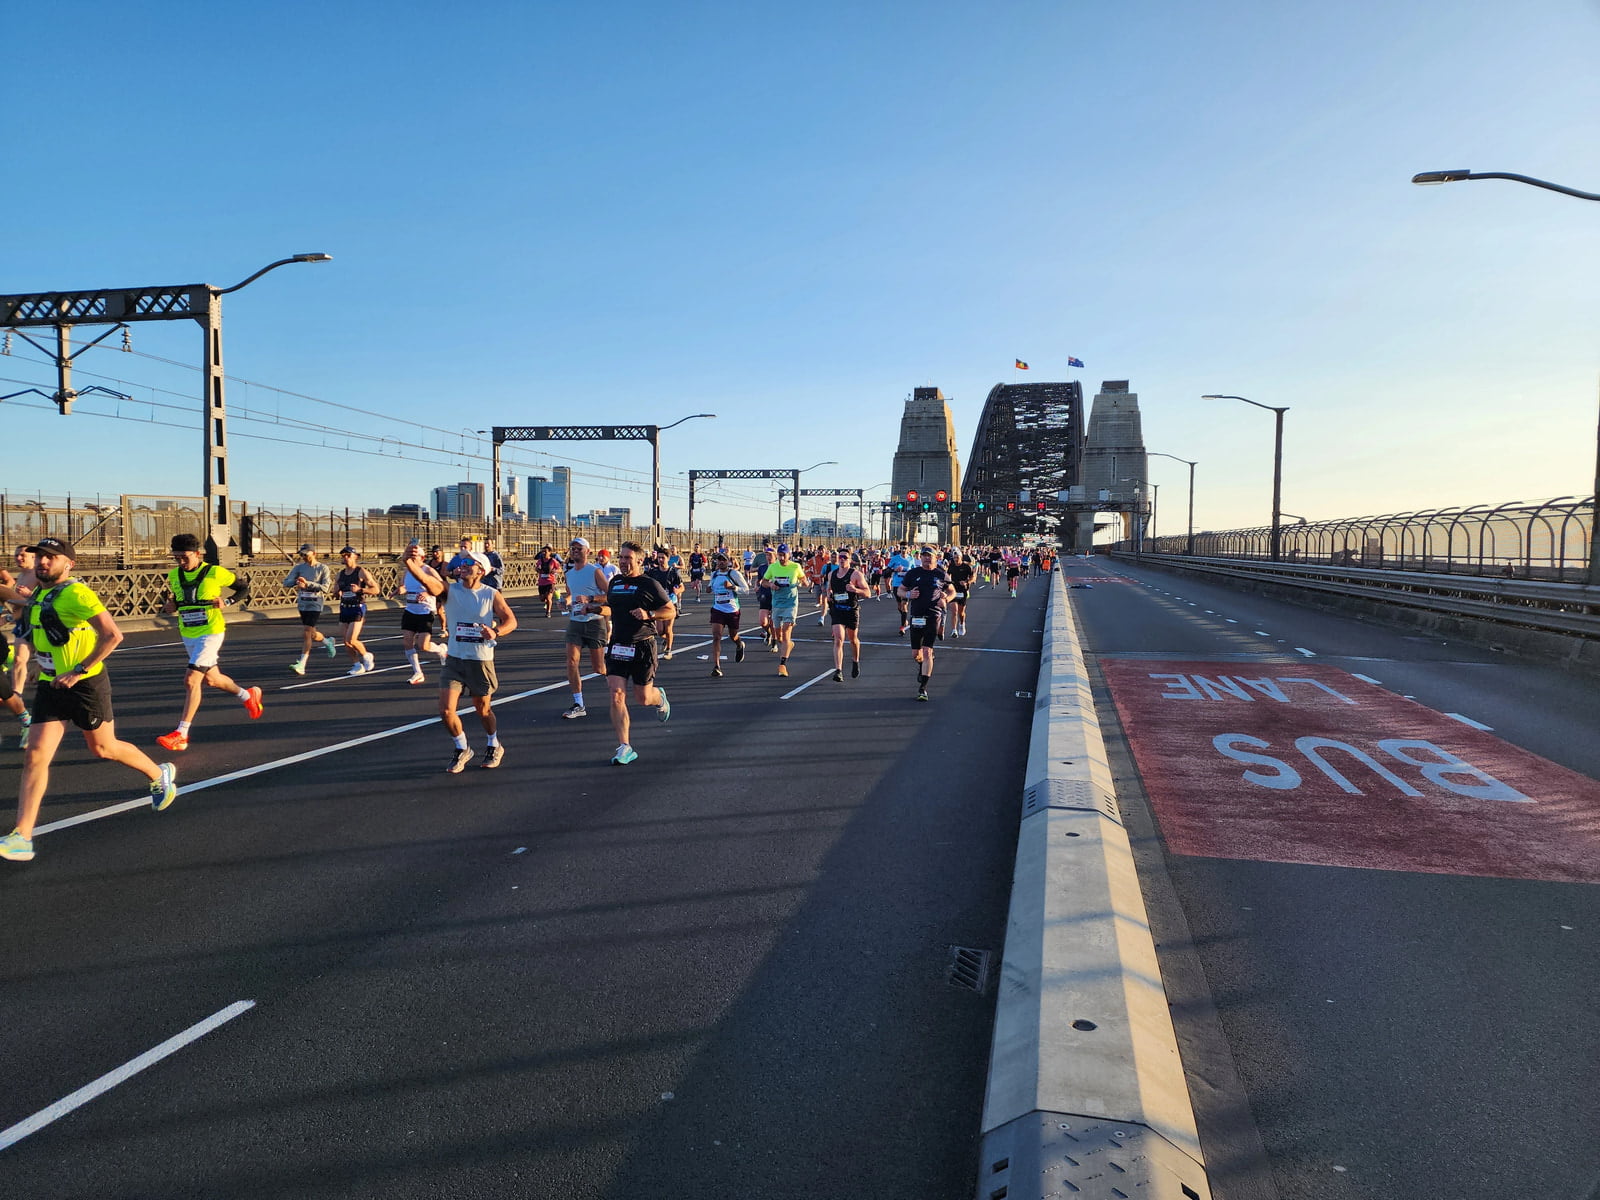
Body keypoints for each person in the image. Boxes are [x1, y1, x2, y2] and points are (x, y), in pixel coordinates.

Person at [0, 538, 177, 862]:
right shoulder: (40, 592)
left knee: (103, 748)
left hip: (85, 684)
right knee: (35, 756)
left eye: (51, 558)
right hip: (52, 684)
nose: (43, 562)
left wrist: (79, 670)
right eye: (40, 556)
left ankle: (158, 773)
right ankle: (22, 836)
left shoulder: (78, 593)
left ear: (69, 563)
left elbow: (113, 635)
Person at [156, 533, 263, 751]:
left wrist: (227, 601)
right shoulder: (174, 575)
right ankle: (247, 695)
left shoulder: (215, 572)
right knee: (212, 680)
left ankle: (181, 734)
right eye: (176, 558)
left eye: (185, 557)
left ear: (197, 554)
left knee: (191, 680)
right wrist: (170, 606)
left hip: (211, 632)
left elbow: (243, 588)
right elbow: (177, 600)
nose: (181, 562)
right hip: (188, 632)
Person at [440, 557, 518, 772]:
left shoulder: (490, 594)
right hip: (455, 659)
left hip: (480, 659)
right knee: (446, 710)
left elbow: (511, 620)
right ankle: (462, 747)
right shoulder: (451, 590)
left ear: (481, 570)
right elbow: (431, 583)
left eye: (470, 563)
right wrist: (411, 563)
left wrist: (496, 631)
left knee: (482, 710)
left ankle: (494, 743)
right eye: (462, 563)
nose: (463, 566)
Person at [603, 541, 675, 765]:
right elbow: (611, 608)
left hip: (642, 645)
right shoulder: (615, 582)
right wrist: (594, 608)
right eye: (622, 558)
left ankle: (659, 697)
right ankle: (624, 746)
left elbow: (670, 610)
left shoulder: (649, 584)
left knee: (643, 698)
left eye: (628, 558)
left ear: (639, 561)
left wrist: (649, 614)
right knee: (616, 694)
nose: (624, 562)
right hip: (617, 645)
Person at [561, 538, 610, 720]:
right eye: (572, 548)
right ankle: (578, 703)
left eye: (578, 548)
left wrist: (590, 599)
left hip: (594, 622)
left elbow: (609, 595)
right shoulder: (569, 573)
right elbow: (570, 595)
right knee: (571, 661)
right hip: (575, 622)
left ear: (587, 551)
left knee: (599, 668)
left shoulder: (595, 571)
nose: (574, 551)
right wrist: (564, 602)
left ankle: (617, 685)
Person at [897, 546, 954, 702]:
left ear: (936, 557)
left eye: (930, 556)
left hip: (933, 615)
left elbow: (952, 591)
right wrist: (908, 594)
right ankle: (922, 666)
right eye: (924, 555)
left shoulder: (941, 574)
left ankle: (923, 688)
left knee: (928, 651)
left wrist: (946, 599)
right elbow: (900, 591)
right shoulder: (913, 573)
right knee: (917, 654)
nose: (927, 558)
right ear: (920, 558)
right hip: (916, 616)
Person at [396, 541, 449, 685]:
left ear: (422, 557)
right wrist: (400, 589)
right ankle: (418, 672)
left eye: (415, 556)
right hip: (410, 610)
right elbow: (403, 586)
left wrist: (426, 593)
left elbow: (441, 586)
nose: (412, 559)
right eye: (411, 556)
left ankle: (440, 649)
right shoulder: (407, 571)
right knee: (407, 641)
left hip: (426, 611)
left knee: (423, 645)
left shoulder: (428, 570)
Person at [283, 543, 337, 676]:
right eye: (301, 555)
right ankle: (327, 641)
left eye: (305, 554)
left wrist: (308, 583)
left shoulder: (323, 568)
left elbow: (325, 587)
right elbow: (286, 582)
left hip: (315, 603)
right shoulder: (299, 568)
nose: (303, 557)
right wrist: (296, 582)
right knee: (312, 633)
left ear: (313, 553)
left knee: (306, 632)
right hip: (303, 603)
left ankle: (302, 663)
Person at [759, 543, 805, 677]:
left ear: (789, 555)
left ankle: (782, 665)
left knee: (786, 633)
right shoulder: (773, 567)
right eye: (779, 555)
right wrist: (771, 585)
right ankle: (788, 645)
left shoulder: (795, 566)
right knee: (779, 637)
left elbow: (803, 579)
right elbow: (764, 581)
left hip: (791, 604)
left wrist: (803, 582)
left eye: (784, 555)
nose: (781, 557)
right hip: (777, 604)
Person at [824, 548, 870, 682]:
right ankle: (838, 670)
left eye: (845, 557)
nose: (842, 559)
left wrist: (855, 589)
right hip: (837, 609)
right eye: (840, 557)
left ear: (850, 560)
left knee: (853, 639)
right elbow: (829, 589)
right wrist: (829, 596)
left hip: (851, 609)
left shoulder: (856, 575)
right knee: (838, 638)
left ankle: (855, 660)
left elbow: (867, 593)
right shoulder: (832, 574)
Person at [334, 547, 379, 675]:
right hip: (344, 608)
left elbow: (376, 589)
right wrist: (337, 592)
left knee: (352, 640)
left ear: (355, 557)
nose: (345, 558)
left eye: (348, 555)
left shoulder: (361, 572)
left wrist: (360, 590)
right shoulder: (340, 574)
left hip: (357, 607)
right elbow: (335, 593)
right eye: (343, 556)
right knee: (346, 642)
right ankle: (356, 665)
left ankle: (366, 655)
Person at [3, 545, 39, 700]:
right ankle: (16, 693)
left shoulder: (39, 574)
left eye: (22, 555)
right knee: (19, 659)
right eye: (16, 555)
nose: (18, 558)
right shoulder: (21, 575)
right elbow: (20, 603)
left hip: (40, 624)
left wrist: (30, 595)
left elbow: (49, 600)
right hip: (24, 623)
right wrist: (9, 616)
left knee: (47, 659)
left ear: (33, 557)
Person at [706, 552, 747, 677]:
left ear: (728, 561)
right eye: (718, 560)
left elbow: (746, 590)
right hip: (718, 609)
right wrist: (708, 589)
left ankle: (739, 644)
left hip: (732, 610)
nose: (720, 562)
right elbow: (710, 587)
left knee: (732, 635)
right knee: (716, 636)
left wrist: (733, 587)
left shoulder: (734, 574)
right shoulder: (714, 574)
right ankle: (716, 666)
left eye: (723, 560)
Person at [643, 551, 684, 660]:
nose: (660, 560)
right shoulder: (653, 572)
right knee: (660, 631)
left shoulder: (673, 572)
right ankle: (666, 639)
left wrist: (677, 590)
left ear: (668, 558)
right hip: (657, 604)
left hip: (670, 603)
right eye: (659, 558)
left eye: (663, 558)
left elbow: (682, 587)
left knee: (669, 628)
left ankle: (668, 649)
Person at [947, 552, 976, 639]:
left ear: (961, 558)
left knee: (961, 613)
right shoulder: (951, 566)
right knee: (954, 610)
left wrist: (967, 582)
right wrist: (947, 583)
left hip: (962, 591)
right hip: (953, 590)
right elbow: (948, 575)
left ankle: (961, 623)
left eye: (957, 558)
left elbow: (973, 577)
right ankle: (954, 630)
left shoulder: (966, 567)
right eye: (954, 558)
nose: (955, 559)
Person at [886, 545, 913, 632]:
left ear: (908, 549)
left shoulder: (911, 559)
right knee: (899, 606)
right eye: (902, 548)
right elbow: (888, 569)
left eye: (905, 548)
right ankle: (904, 619)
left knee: (904, 605)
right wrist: (895, 569)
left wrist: (906, 570)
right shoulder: (895, 558)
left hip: (906, 584)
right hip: (897, 584)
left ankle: (902, 627)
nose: (903, 550)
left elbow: (914, 571)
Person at [535, 545, 562, 618]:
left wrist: (555, 570)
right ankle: (547, 603)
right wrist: (538, 569)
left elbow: (560, 569)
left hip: (550, 581)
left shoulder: (553, 561)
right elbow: (536, 567)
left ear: (549, 552)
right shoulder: (540, 561)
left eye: (545, 552)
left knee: (548, 597)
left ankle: (548, 612)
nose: (543, 553)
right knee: (542, 599)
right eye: (542, 552)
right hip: (542, 582)